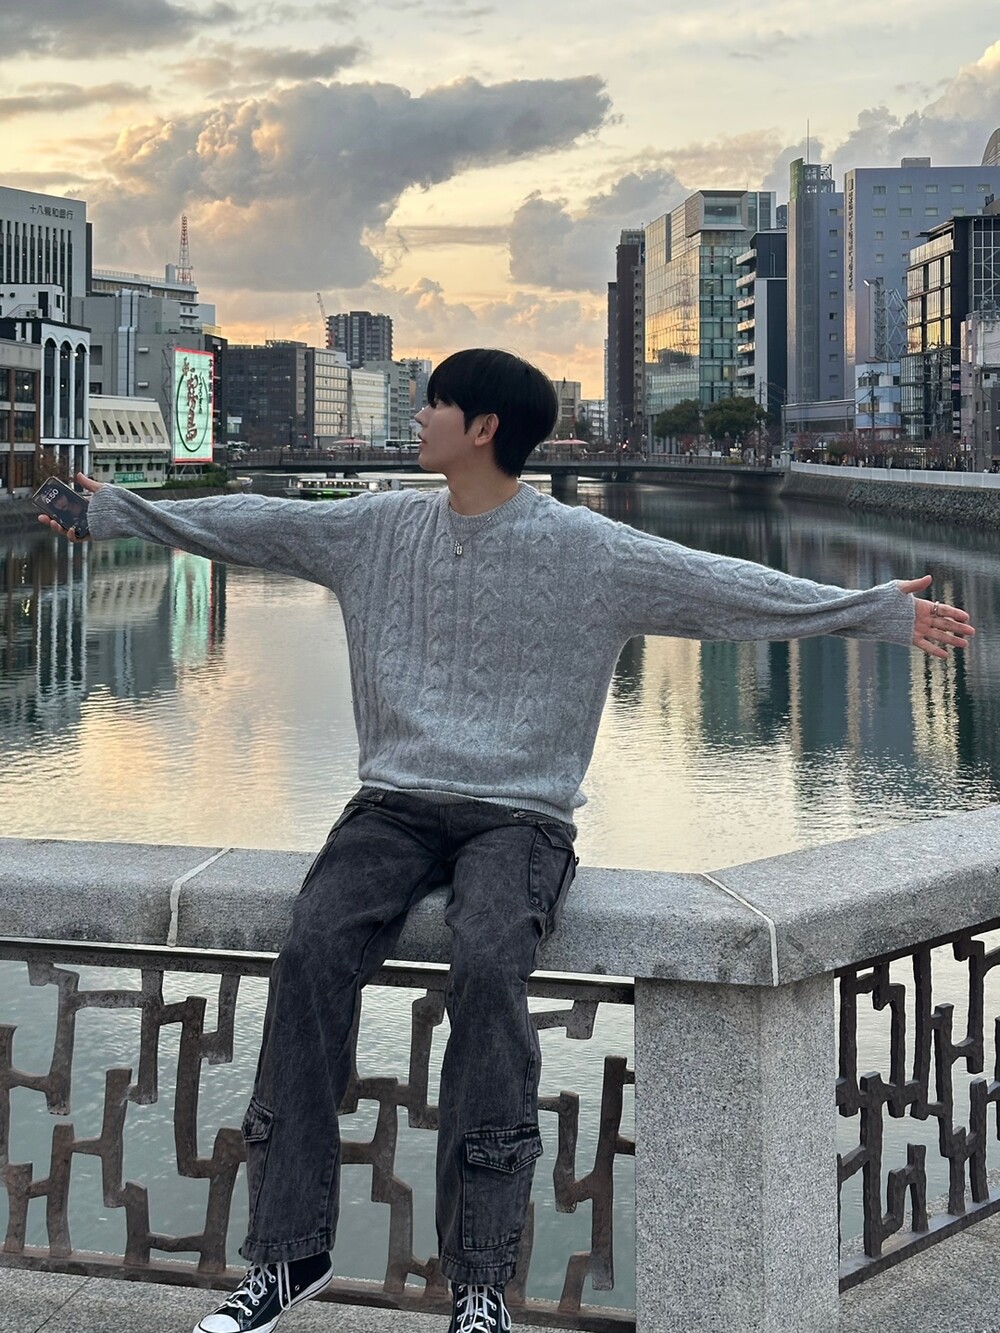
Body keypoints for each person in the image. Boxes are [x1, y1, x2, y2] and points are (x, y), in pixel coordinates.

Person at [40, 348, 975, 1333]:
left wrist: (874, 611)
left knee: (489, 963)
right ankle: (288, 1254)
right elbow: (253, 523)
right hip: (393, 803)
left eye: (436, 402)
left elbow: (724, 590)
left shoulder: (586, 549)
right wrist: (117, 511)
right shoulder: (375, 527)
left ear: (484, 427)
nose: (420, 416)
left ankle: (480, 1281)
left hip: (520, 815)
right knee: (311, 947)